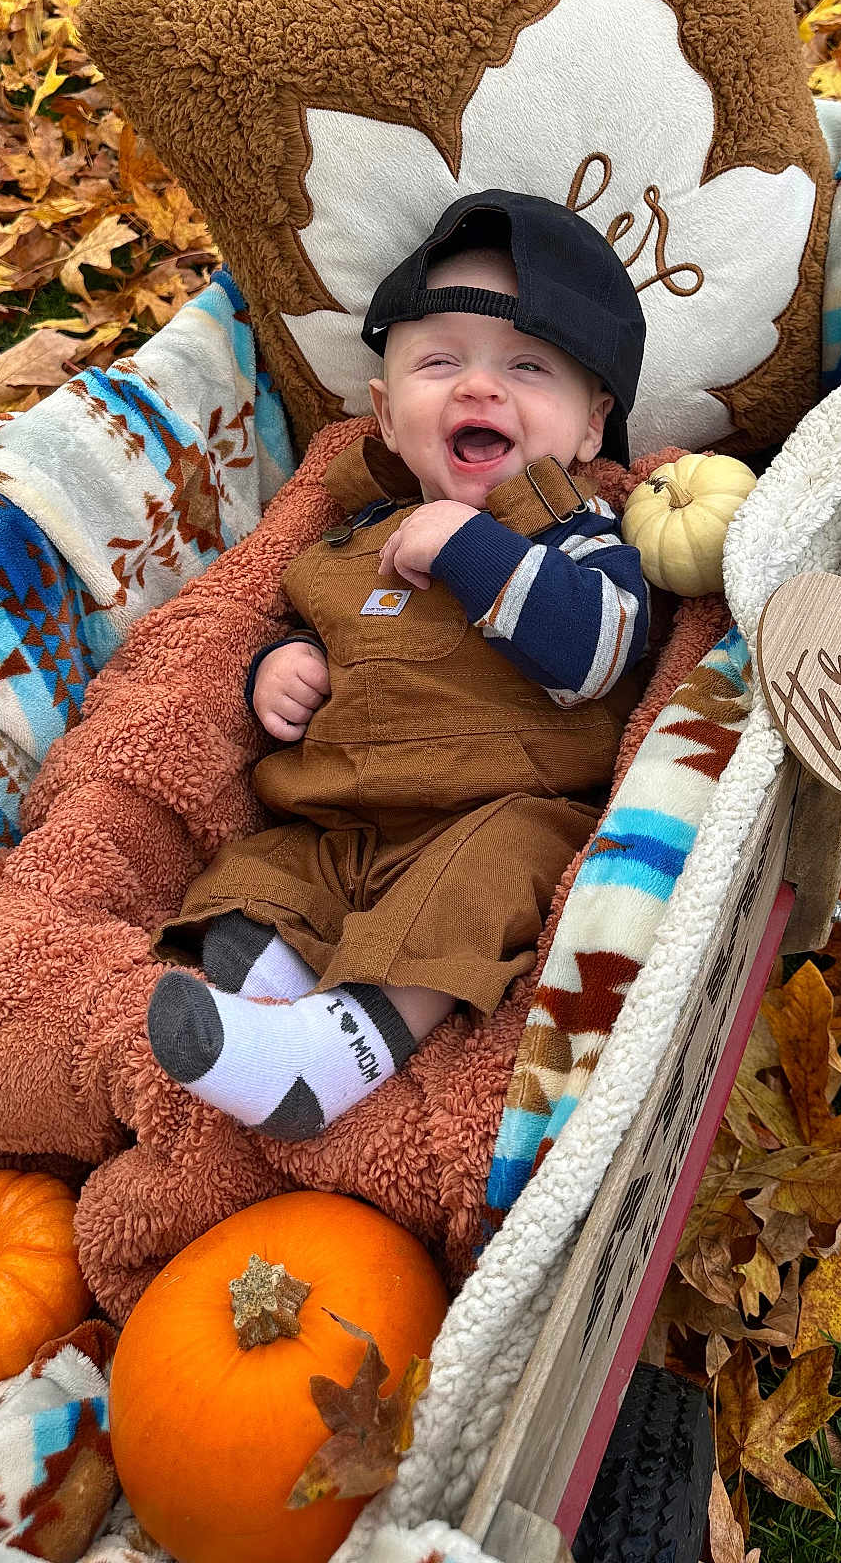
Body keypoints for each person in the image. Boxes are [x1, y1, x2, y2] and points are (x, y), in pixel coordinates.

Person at [145, 189, 651, 1140]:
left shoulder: (578, 532)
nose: (478, 389)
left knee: (480, 881)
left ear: (590, 430)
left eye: (529, 367)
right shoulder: (350, 535)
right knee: (257, 882)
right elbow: (312, 621)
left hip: (499, 807)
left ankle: (338, 1052)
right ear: (384, 413)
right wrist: (283, 666)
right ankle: (273, 1001)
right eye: (440, 362)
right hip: (342, 818)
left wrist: (470, 545)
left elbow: (598, 653)